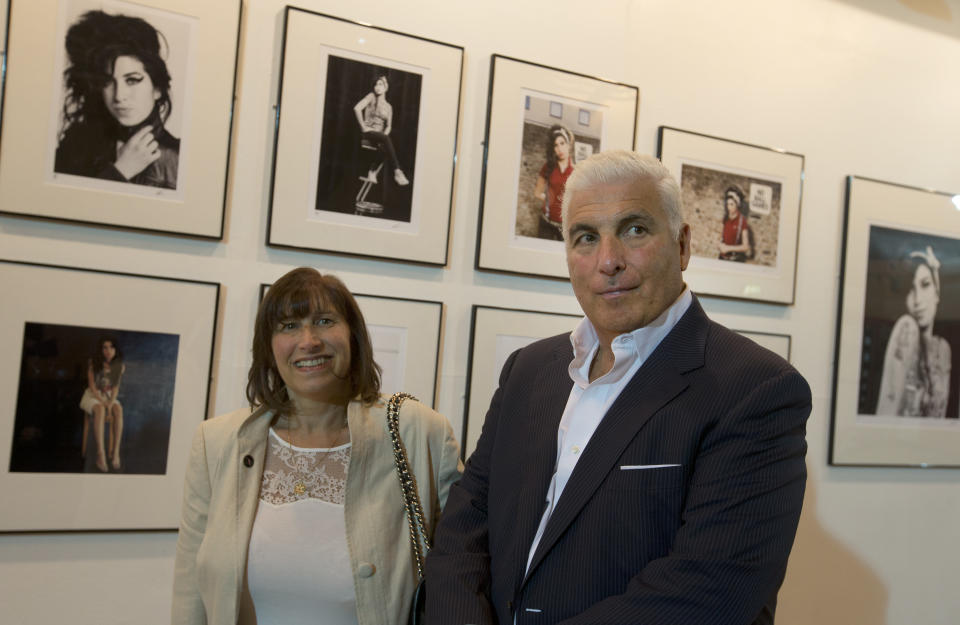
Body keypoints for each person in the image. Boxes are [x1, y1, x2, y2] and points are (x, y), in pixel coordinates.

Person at [426, 150, 811, 625]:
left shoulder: (755, 389)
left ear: (684, 244)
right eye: (586, 238)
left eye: (634, 230)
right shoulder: (528, 370)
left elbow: (709, 592)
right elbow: (464, 530)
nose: (608, 261)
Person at [172, 268, 462, 625]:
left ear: (353, 336)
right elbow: (191, 593)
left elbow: (465, 569)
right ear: (269, 346)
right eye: (289, 326)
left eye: (324, 321)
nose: (308, 341)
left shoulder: (417, 431)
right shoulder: (217, 443)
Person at [54, 10, 179, 189]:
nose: (119, 96)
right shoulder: (76, 145)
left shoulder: (176, 159)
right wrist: (121, 171)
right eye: (108, 82)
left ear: (157, 89)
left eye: (132, 80)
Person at [876, 246, 952, 417]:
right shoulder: (905, 331)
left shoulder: (943, 349)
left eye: (925, 285)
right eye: (911, 289)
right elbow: (886, 410)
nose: (918, 300)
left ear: (937, 292)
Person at [353, 74, 410, 187]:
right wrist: (363, 127)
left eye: (380, 84)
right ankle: (397, 171)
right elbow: (357, 108)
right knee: (385, 139)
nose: (377, 87)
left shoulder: (389, 107)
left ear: (386, 87)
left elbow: (389, 126)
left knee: (388, 140)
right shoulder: (371, 96)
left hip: (380, 136)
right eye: (375, 84)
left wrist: (384, 135)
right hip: (368, 133)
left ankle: (372, 171)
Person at [79, 336, 125, 472]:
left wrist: (110, 403)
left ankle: (116, 452)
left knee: (118, 409)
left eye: (111, 347)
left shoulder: (119, 366)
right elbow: (92, 387)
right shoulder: (93, 363)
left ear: (115, 349)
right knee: (100, 409)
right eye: (105, 347)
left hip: (108, 396)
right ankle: (101, 454)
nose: (108, 351)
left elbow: (115, 388)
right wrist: (104, 403)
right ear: (101, 350)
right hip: (93, 396)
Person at [531, 124, 575, 241]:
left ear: (568, 145)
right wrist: (549, 199)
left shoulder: (577, 171)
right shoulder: (548, 167)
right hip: (547, 223)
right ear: (553, 149)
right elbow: (537, 193)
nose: (559, 149)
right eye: (556, 145)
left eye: (562, 143)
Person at [718, 184, 754, 261]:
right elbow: (721, 236)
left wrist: (728, 248)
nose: (728, 207)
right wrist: (720, 244)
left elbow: (745, 247)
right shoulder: (726, 218)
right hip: (721, 258)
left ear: (737, 205)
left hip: (734, 260)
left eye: (731, 204)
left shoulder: (742, 221)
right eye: (727, 204)